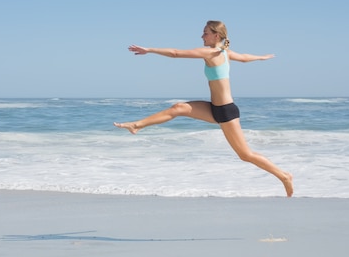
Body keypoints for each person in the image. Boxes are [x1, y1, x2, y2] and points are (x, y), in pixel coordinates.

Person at [114, 20, 294, 197]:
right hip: (214, 107)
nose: (202, 36)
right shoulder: (225, 53)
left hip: (226, 111)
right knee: (178, 108)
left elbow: (176, 53)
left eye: (205, 33)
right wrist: (261, 57)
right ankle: (137, 125)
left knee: (245, 154)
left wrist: (150, 50)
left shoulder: (212, 53)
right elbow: (245, 58)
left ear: (216, 35)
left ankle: (284, 176)